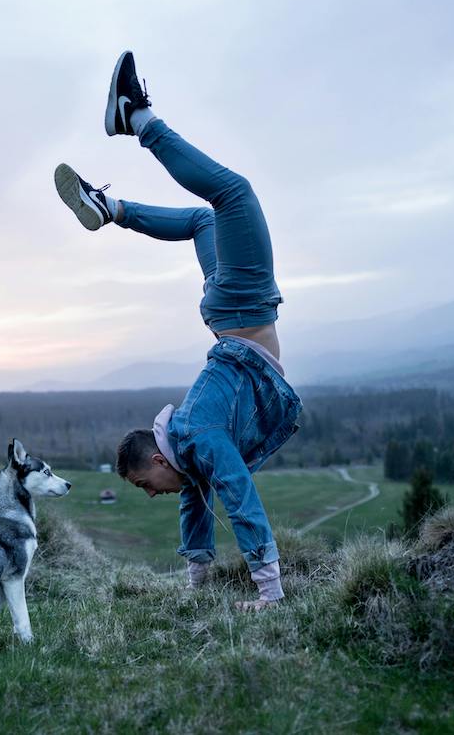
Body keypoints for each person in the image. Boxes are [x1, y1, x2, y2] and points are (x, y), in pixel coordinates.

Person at [54, 51, 302, 611]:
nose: (150, 495)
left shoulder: (197, 438)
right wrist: (196, 581)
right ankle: (109, 206)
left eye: (145, 485)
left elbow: (237, 493)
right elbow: (200, 498)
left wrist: (270, 593)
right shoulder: (187, 454)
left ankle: (136, 117)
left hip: (241, 310)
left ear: (160, 460)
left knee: (232, 195)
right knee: (207, 219)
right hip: (226, 317)